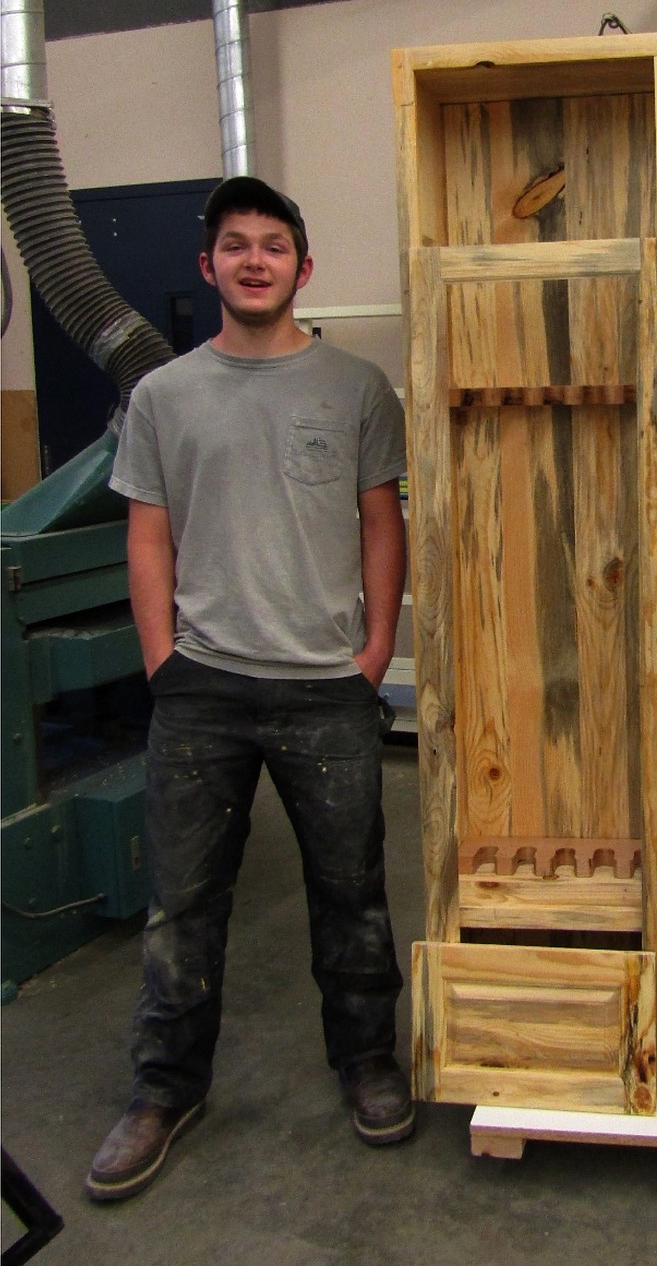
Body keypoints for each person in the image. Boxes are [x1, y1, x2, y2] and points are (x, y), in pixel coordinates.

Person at [86, 176, 413, 1204]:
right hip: (201, 692)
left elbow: (380, 525)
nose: (256, 259)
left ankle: (366, 1060)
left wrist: (371, 659)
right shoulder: (163, 396)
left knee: (352, 896)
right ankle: (164, 1088)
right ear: (209, 267)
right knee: (182, 907)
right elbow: (147, 535)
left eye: (275, 244)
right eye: (237, 245)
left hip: (326, 688)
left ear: (303, 268)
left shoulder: (356, 387)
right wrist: (161, 661)